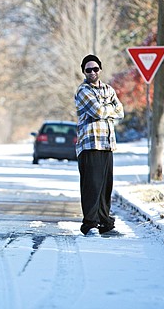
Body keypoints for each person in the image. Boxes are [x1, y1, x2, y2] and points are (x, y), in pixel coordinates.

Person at [74, 54, 124, 236]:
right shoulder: (83, 91)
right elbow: (97, 111)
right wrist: (108, 108)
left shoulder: (109, 88)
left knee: (105, 187)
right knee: (92, 186)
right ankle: (90, 225)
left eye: (95, 69)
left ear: (100, 69)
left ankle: (105, 223)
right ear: (84, 72)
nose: (93, 72)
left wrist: (107, 110)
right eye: (88, 70)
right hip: (90, 144)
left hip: (107, 143)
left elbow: (121, 111)